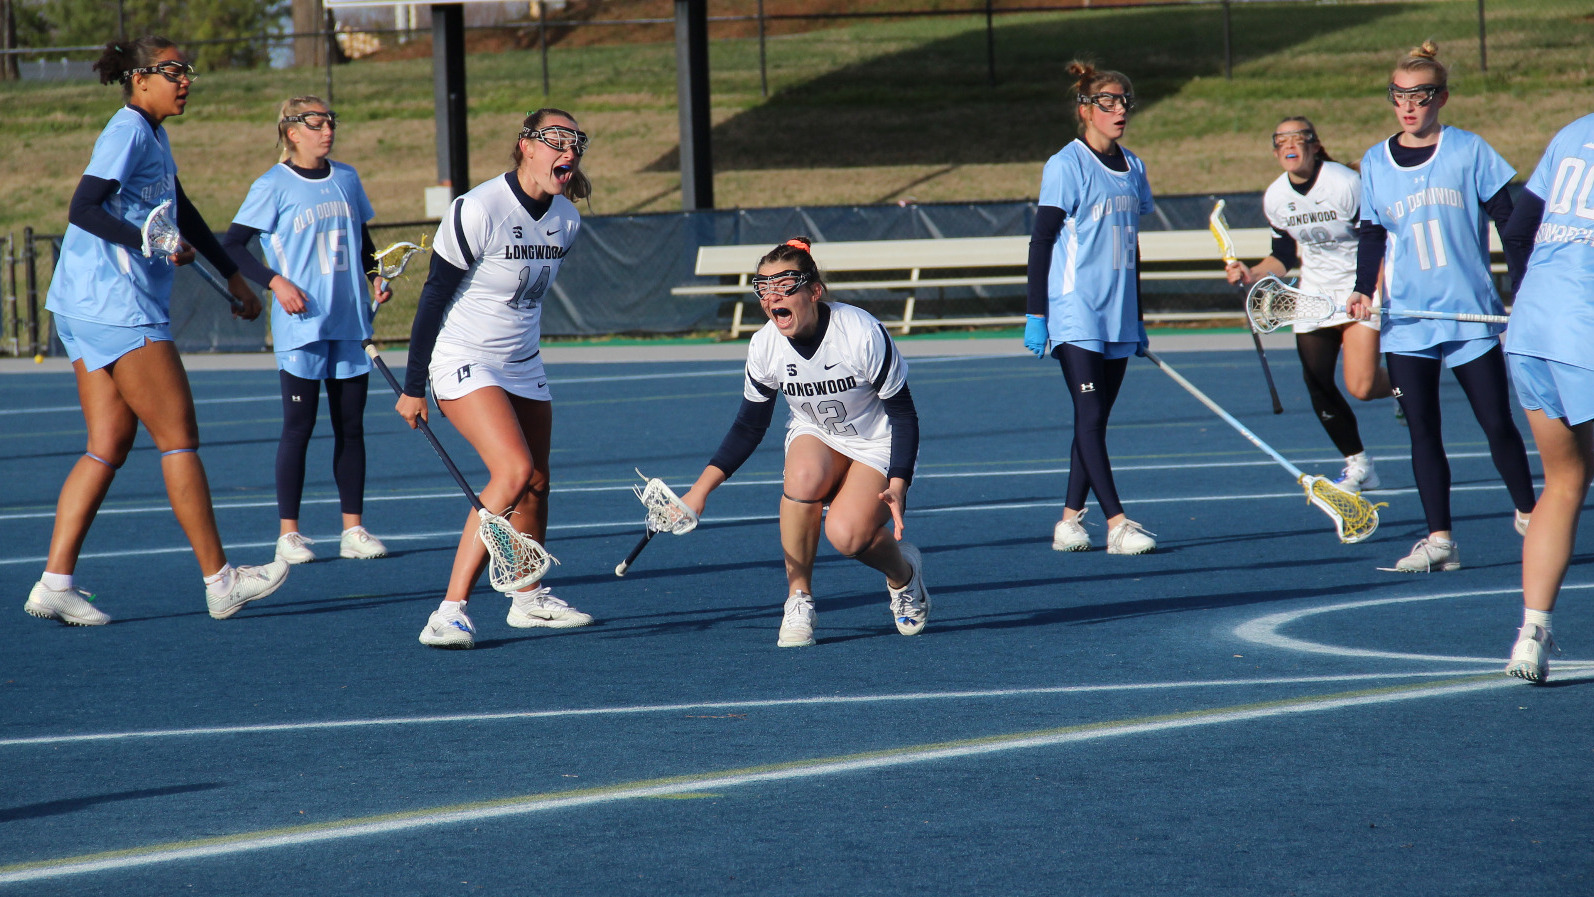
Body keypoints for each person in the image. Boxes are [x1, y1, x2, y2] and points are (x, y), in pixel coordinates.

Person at [26, 36, 288, 627]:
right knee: (179, 436)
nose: (185, 79)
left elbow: (179, 206)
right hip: (115, 306)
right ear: (140, 78)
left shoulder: (152, 134)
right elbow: (83, 208)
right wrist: (148, 241)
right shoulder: (128, 130)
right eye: (173, 71)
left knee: (108, 443)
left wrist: (232, 272)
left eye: (187, 69)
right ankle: (221, 581)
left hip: (83, 304)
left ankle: (54, 583)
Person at [397, 108, 594, 649]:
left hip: (522, 361)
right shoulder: (480, 208)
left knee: (537, 481)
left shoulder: (567, 220)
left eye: (576, 143)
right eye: (556, 140)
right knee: (512, 470)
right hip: (464, 357)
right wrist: (413, 386)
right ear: (525, 145)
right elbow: (434, 296)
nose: (568, 151)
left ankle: (528, 598)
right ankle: (449, 610)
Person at [678, 238, 927, 647]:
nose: (772, 296)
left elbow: (902, 414)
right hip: (818, 433)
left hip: (876, 441)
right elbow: (748, 427)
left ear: (814, 291)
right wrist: (699, 491)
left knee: (847, 536)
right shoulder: (765, 345)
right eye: (763, 287)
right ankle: (798, 600)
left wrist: (899, 482)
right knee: (803, 476)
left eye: (785, 285)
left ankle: (904, 575)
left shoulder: (860, 332)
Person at [1346, 41, 1536, 572]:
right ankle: (1440, 540)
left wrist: (1523, 288)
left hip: (1468, 314)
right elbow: (1372, 233)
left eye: (1421, 96)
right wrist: (1363, 289)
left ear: (1442, 98)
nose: (1408, 106)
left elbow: (1510, 222)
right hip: (1409, 319)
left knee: (1496, 422)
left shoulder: (1468, 150)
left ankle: (1530, 513)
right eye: (1399, 96)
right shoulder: (1374, 161)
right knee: (1423, 430)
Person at [222, 95, 391, 566]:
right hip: (301, 324)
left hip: (349, 320)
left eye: (330, 121)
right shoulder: (273, 184)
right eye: (316, 123)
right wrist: (275, 282)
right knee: (299, 427)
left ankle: (352, 529)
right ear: (292, 132)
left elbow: (363, 242)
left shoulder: (347, 178)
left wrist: (375, 276)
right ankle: (289, 534)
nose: (327, 130)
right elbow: (233, 244)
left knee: (351, 426)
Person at [1025, 61, 1157, 555]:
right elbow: (1041, 241)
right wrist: (1036, 314)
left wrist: (1137, 315)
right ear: (1086, 109)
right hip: (1075, 309)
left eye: (1124, 101)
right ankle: (1117, 524)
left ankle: (1067, 521)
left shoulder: (1135, 168)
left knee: (1094, 421)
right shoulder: (1066, 165)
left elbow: (1132, 245)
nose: (1120, 110)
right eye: (1108, 102)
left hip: (1117, 314)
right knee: (1090, 410)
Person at [1225, 117, 1394, 493]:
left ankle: (1405, 384)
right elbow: (1282, 256)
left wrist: (1371, 291)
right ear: (1275, 152)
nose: (1289, 145)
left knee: (1362, 387)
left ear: (1315, 145)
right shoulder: (1275, 198)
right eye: (1280, 140)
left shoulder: (1345, 184)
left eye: (1297, 138)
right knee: (1316, 380)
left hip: (1359, 290)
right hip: (1314, 297)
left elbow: (1377, 240)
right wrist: (1251, 273)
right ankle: (1359, 465)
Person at [1497, 113, 1594, 681]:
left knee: (1563, 483)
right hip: (1583, 327)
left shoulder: (1571, 132)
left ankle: (1531, 634)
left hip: (1533, 324)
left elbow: (1517, 231)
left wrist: (1531, 294)